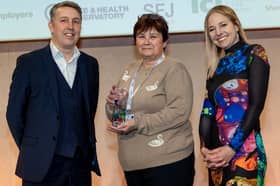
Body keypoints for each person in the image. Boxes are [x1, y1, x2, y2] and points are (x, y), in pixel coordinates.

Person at [6, 1, 100, 185]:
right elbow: (14, 115)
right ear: (51, 26)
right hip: (40, 166)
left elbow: (89, 111)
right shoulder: (29, 63)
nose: (70, 27)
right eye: (63, 20)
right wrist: (34, 147)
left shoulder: (90, 65)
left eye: (76, 21)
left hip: (79, 165)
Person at [105, 13, 195, 186]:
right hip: (132, 164)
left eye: (153, 36)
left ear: (165, 42)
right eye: (141, 36)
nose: (146, 41)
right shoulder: (129, 70)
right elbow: (118, 116)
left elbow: (179, 112)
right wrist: (114, 104)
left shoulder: (174, 68)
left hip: (168, 162)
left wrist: (137, 122)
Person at [199, 5, 270, 186]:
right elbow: (207, 113)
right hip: (217, 158)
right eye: (212, 29)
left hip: (246, 152)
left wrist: (231, 148)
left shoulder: (254, 54)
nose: (218, 32)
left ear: (236, 25)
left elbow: (256, 106)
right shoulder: (214, 68)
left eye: (223, 25)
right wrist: (206, 150)